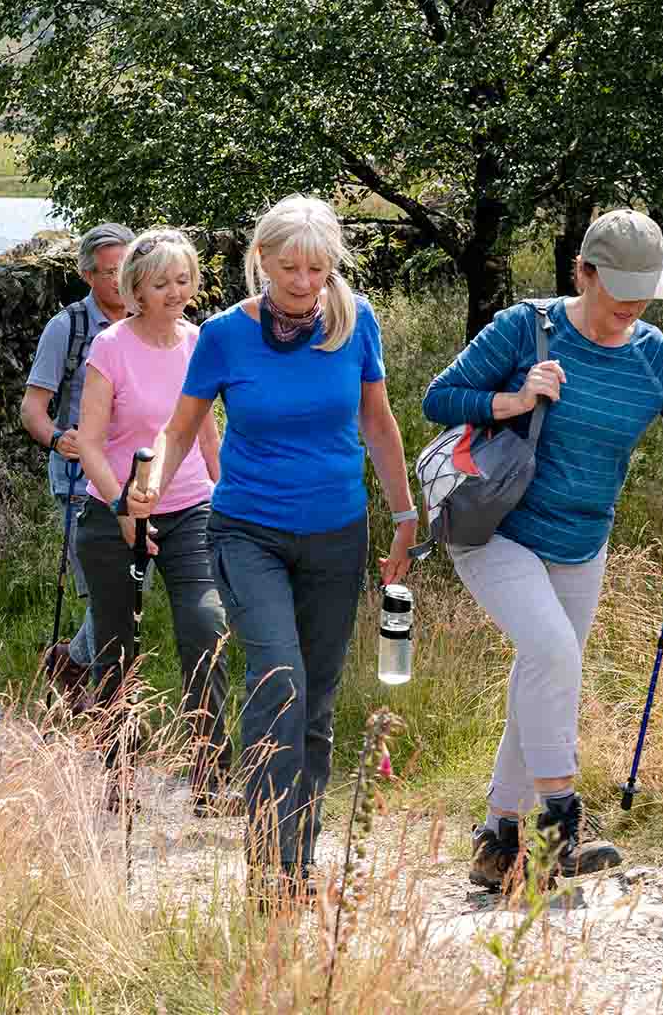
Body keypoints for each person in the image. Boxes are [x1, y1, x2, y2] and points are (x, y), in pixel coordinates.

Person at [423, 208, 663, 891]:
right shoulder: (526, 326)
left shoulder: (651, 352)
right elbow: (439, 398)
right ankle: (562, 830)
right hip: (497, 526)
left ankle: (496, 843)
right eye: (617, 293)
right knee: (553, 656)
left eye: (641, 295)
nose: (628, 308)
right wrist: (514, 399)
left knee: (543, 672)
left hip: (582, 540)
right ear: (583, 273)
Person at [135, 195, 417, 902]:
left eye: (317, 269)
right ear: (259, 260)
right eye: (289, 267)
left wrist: (405, 514)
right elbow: (180, 428)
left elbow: (379, 426)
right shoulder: (226, 336)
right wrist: (146, 489)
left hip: (336, 534)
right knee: (278, 681)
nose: (302, 282)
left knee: (316, 705)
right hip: (246, 531)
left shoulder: (356, 323)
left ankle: (298, 859)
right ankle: (267, 866)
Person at [72, 227, 230, 814]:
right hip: (113, 510)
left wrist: (224, 491)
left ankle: (212, 777)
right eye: (161, 282)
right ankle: (120, 778)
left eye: (184, 279)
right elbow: (88, 443)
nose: (175, 291)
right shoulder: (110, 347)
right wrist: (123, 508)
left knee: (205, 625)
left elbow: (205, 429)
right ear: (134, 288)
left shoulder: (199, 343)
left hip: (190, 508)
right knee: (117, 646)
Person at [21, 223, 135, 701]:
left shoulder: (153, 323)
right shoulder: (67, 327)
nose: (120, 280)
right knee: (108, 592)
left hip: (139, 477)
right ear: (88, 276)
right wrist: (58, 439)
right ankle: (101, 694)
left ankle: (72, 662)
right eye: (110, 272)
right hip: (78, 480)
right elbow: (32, 408)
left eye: (127, 269)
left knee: (128, 590)